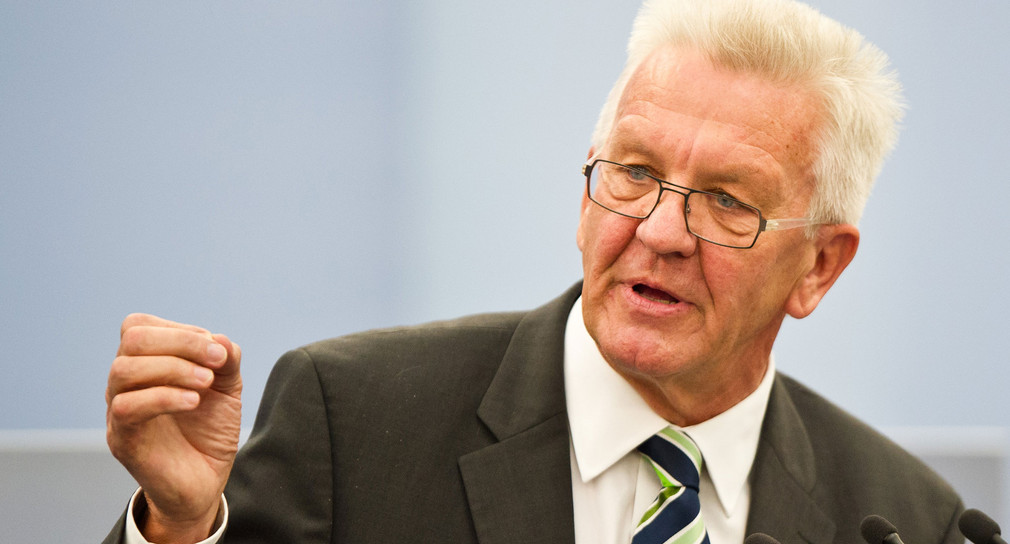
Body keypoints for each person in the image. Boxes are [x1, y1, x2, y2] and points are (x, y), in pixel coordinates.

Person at [104, 0, 964, 543]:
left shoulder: (902, 520)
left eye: (729, 201)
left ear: (819, 266)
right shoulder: (354, 421)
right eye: (633, 172)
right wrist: (182, 529)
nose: (660, 231)